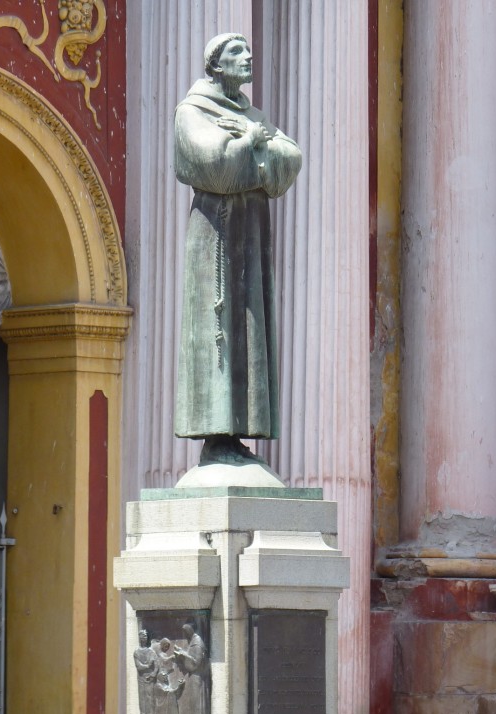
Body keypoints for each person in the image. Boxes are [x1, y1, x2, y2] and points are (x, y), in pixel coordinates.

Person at [174, 33, 302, 465]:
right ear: (215, 65)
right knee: (220, 329)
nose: (248, 57)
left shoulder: (250, 114)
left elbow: (290, 158)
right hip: (215, 239)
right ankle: (215, 438)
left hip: (249, 237)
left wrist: (248, 148)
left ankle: (239, 436)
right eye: (236, 52)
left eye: (249, 49)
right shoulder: (192, 111)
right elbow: (211, 166)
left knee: (249, 328)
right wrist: (251, 146)